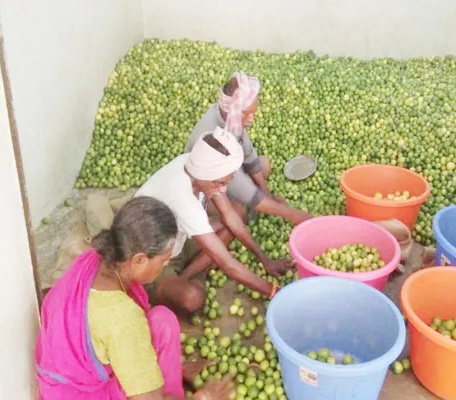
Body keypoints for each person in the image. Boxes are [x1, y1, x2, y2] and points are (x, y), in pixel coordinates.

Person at [35, 197, 234, 400]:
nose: (166, 265)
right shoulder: (122, 317)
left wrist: (176, 365)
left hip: (65, 373)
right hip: (77, 394)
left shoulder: (97, 259)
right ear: (139, 260)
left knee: (163, 321)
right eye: (164, 260)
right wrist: (204, 398)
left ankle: (170, 380)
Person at [135, 127, 283, 315]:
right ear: (209, 177)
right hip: (155, 260)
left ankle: (188, 274)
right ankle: (183, 279)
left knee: (237, 213)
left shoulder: (198, 167)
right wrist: (274, 291)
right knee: (192, 298)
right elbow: (228, 264)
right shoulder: (182, 196)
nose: (223, 190)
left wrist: (264, 259)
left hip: (179, 239)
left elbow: (230, 216)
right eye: (220, 183)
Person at [185, 71, 311, 226]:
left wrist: (266, 194)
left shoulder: (232, 119)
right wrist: (291, 214)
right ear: (234, 111)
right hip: (205, 189)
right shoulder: (214, 137)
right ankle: (220, 219)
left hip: (226, 175)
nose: (252, 119)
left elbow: (250, 156)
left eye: (253, 112)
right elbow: (239, 185)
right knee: (238, 214)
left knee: (263, 164)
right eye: (247, 113)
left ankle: (261, 203)